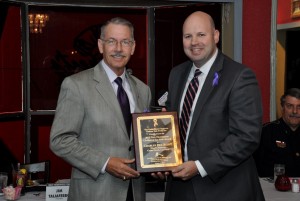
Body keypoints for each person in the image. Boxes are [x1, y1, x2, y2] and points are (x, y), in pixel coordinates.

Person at [153, 11, 265, 201]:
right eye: (188, 36)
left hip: (225, 190)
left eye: (201, 34)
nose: (194, 42)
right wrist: (160, 159)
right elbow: (173, 126)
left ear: (216, 36)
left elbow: (246, 137)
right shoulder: (177, 74)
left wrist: (199, 166)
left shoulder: (239, 76)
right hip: (180, 189)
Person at [50, 17, 151, 201]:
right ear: (100, 45)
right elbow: (60, 140)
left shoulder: (143, 90)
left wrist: (156, 164)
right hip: (94, 193)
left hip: (134, 193)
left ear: (133, 47)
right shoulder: (76, 85)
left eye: (125, 42)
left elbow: (142, 142)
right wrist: (105, 163)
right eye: (111, 41)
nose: (119, 48)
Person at [254, 88, 300, 177]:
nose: (295, 111)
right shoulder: (267, 132)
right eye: (290, 106)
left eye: (299, 107)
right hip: (271, 189)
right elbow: (255, 167)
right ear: (282, 108)